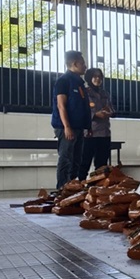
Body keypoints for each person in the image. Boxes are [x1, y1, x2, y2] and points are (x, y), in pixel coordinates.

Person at [51, 50, 90, 190]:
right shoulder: (63, 81)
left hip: (79, 127)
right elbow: (61, 105)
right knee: (66, 159)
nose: (85, 66)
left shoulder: (80, 83)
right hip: (67, 127)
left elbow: (84, 107)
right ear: (74, 63)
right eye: (83, 63)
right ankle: (62, 188)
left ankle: (72, 187)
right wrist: (67, 126)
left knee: (77, 160)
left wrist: (88, 126)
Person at [78, 67, 114, 180]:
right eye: (94, 76)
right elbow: (80, 111)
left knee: (102, 165)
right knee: (84, 163)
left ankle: (98, 189)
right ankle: (81, 187)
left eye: (99, 77)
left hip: (104, 134)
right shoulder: (84, 92)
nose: (97, 79)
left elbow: (112, 109)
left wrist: (109, 112)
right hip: (89, 133)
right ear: (89, 78)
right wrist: (95, 115)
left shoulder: (105, 94)